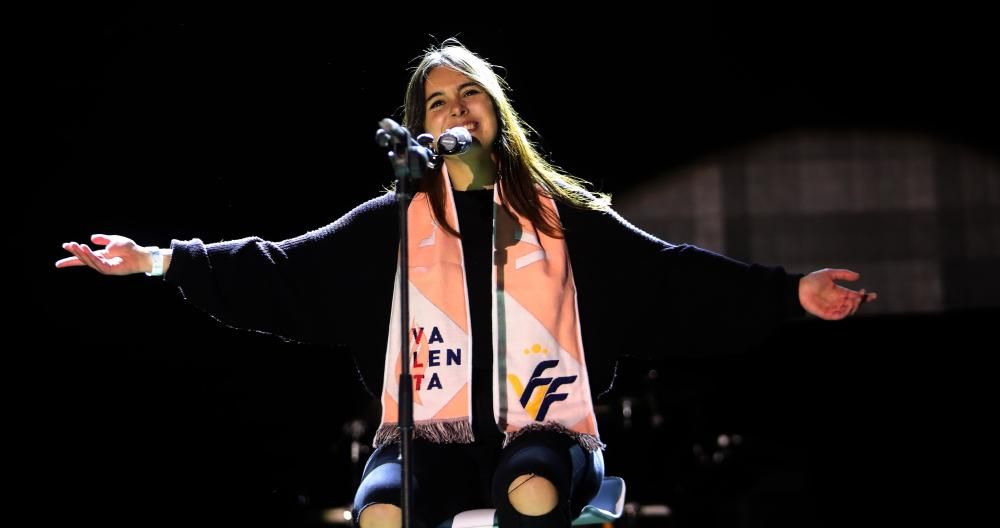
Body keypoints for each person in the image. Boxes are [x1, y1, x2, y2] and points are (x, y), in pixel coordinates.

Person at [56, 40, 876, 528]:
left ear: (495, 109)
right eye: (436, 100)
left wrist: (787, 292)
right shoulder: (393, 226)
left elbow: (672, 279)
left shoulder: (565, 221)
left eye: (468, 93)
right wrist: (160, 259)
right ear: (423, 126)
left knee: (528, 491)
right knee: (380, 509)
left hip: (541, 436)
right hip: (428, 442)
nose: (453, 109)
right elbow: (283, 268)